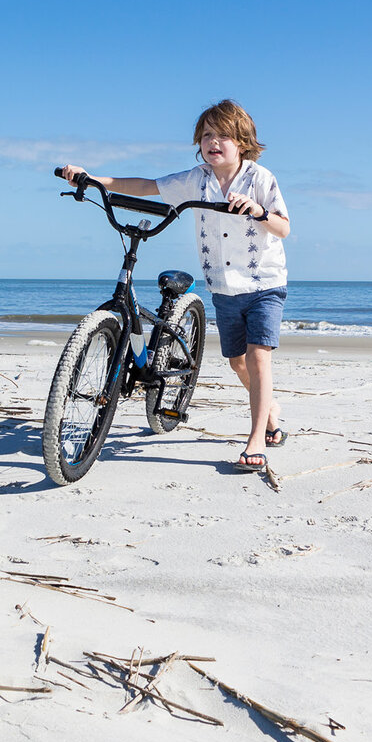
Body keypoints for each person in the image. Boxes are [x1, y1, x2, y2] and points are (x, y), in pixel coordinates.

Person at [55, 99, 291, 471]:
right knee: (237, 364)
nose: (213, 142)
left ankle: (256, 438)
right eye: (207, 135)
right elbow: (147, 185)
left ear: (242, 142)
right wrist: (91, 178)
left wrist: (258, 211)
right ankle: (271, 414)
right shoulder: (196, 178)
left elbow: (284, 227)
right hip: (224, 287)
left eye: (223, 135)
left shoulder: (260, 179)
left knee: (259, 356)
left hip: (264, 282)